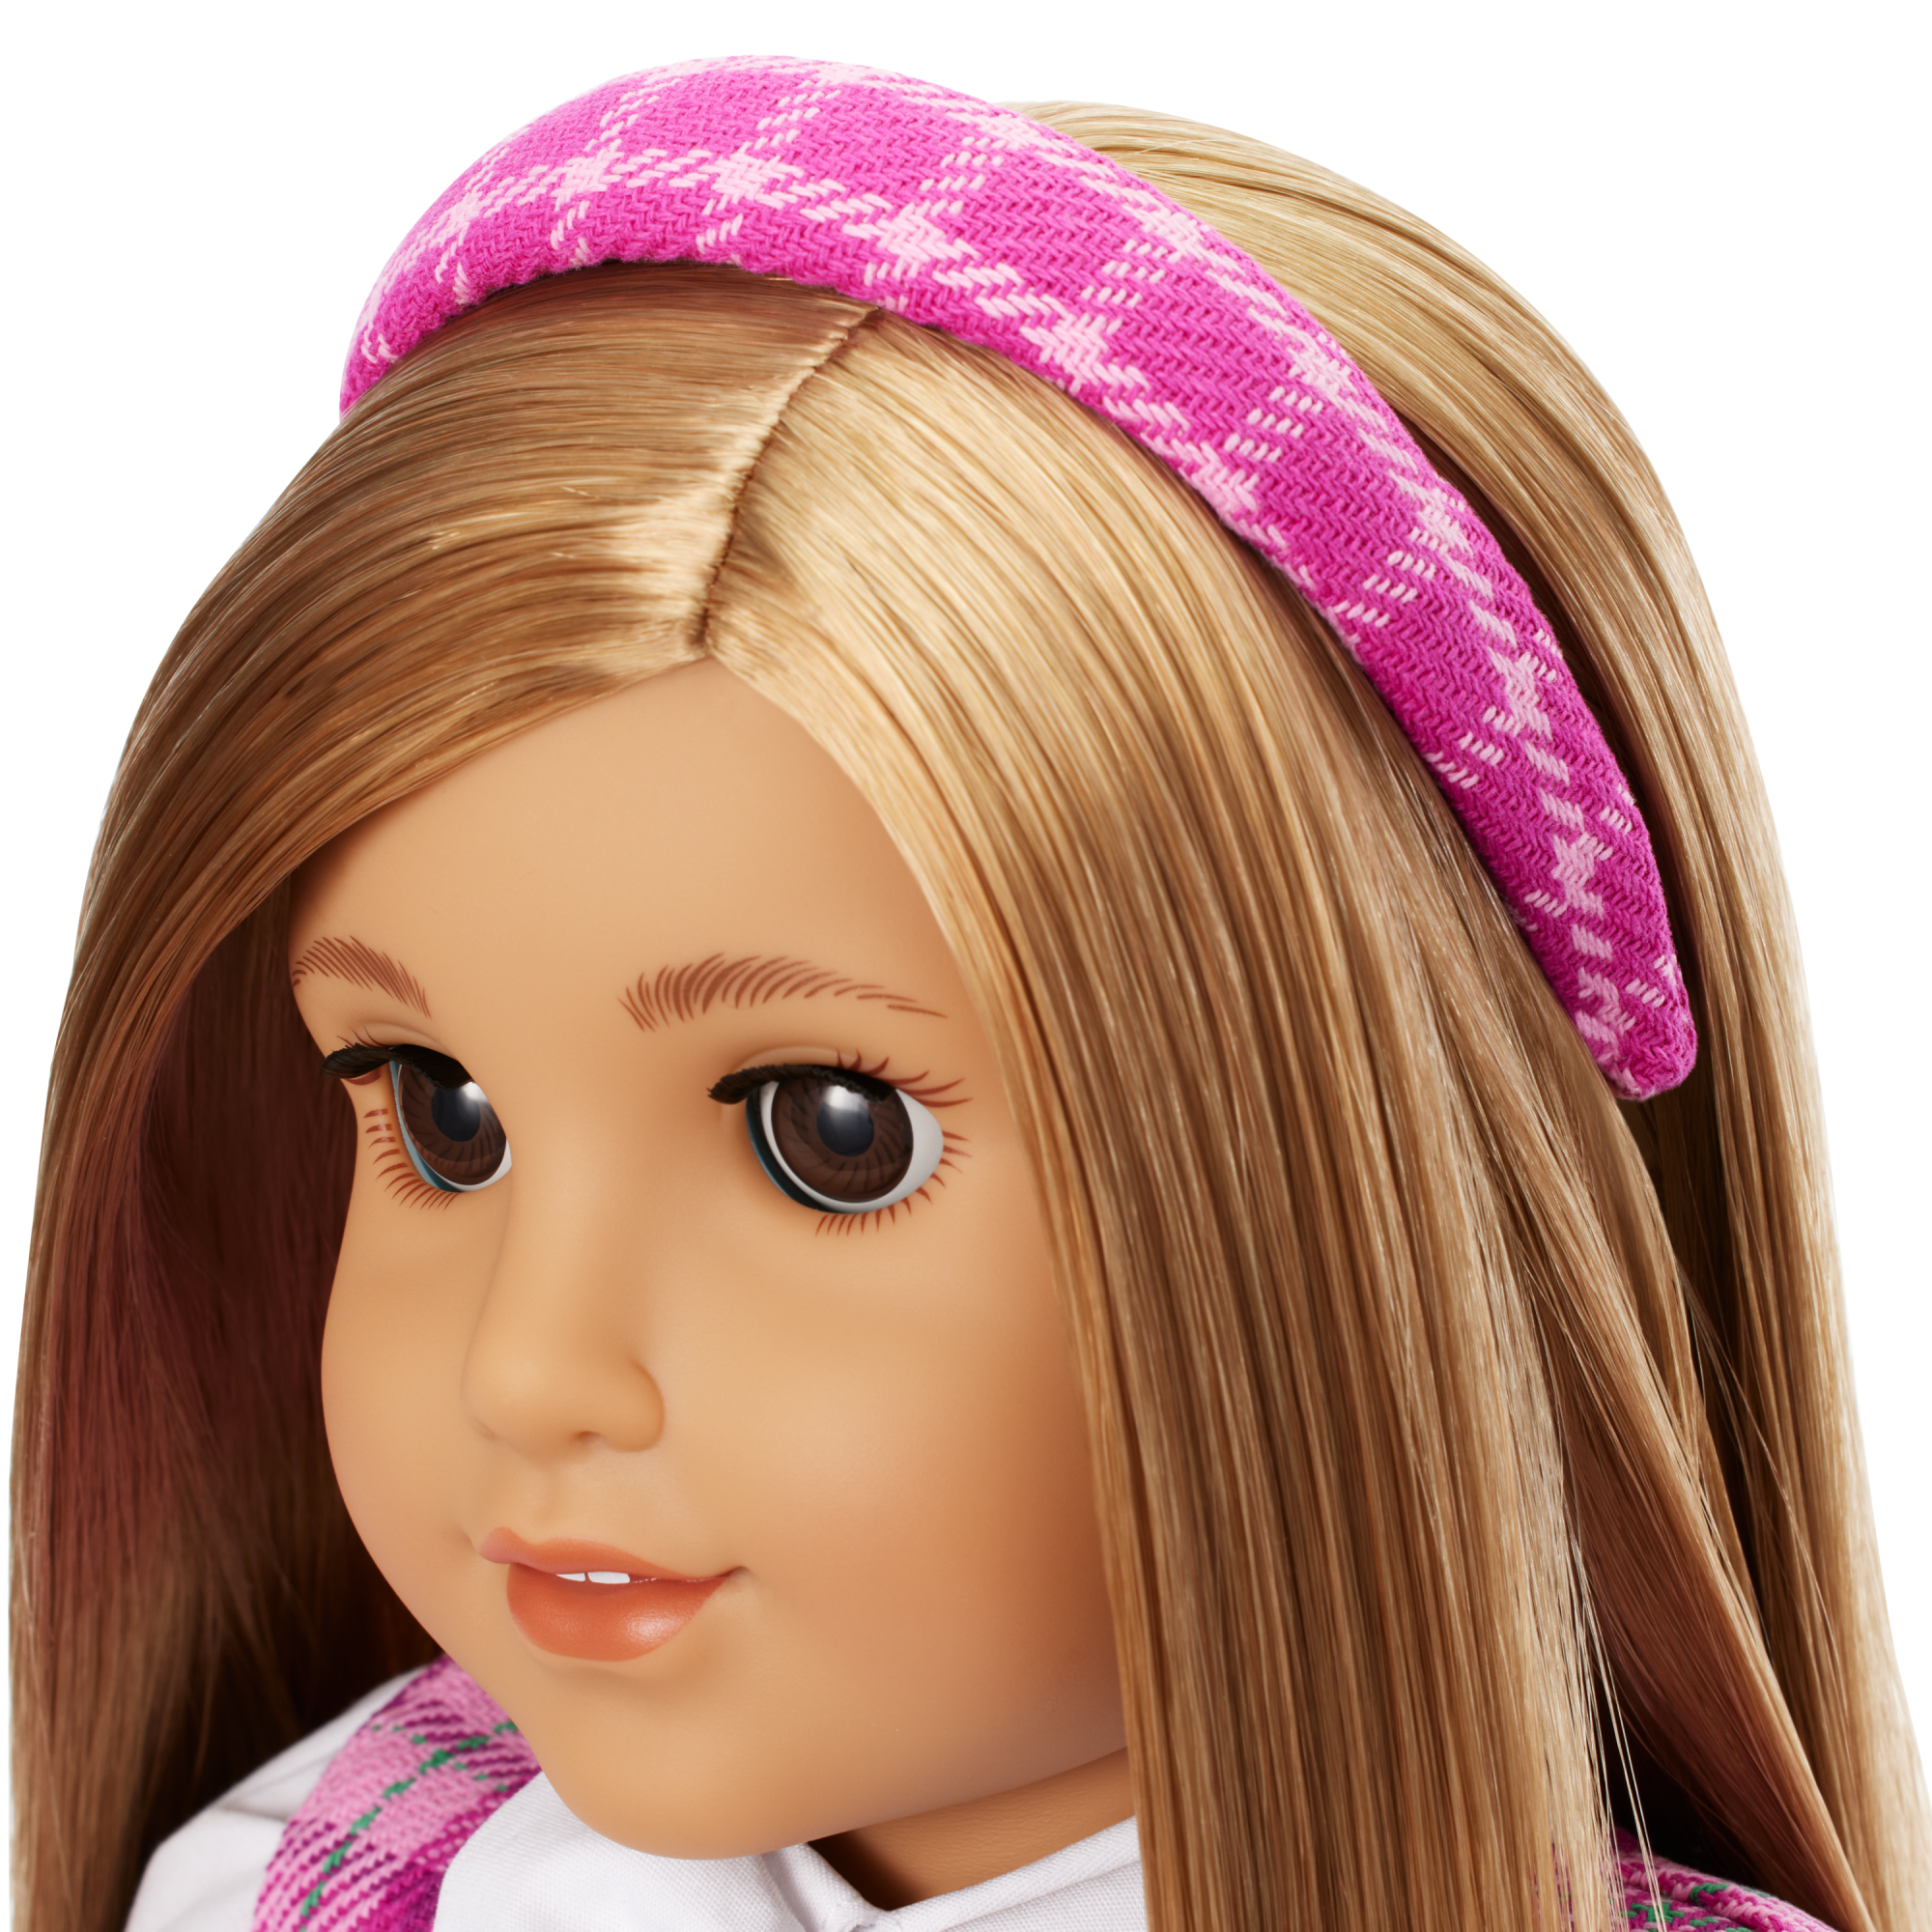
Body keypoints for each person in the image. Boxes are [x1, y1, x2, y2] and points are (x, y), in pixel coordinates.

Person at [14, 55, 1924, 1932]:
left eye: (829, 1136)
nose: (530, 1368)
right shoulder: (319, 1875)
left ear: (1369, 1208)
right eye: (444, 1115)